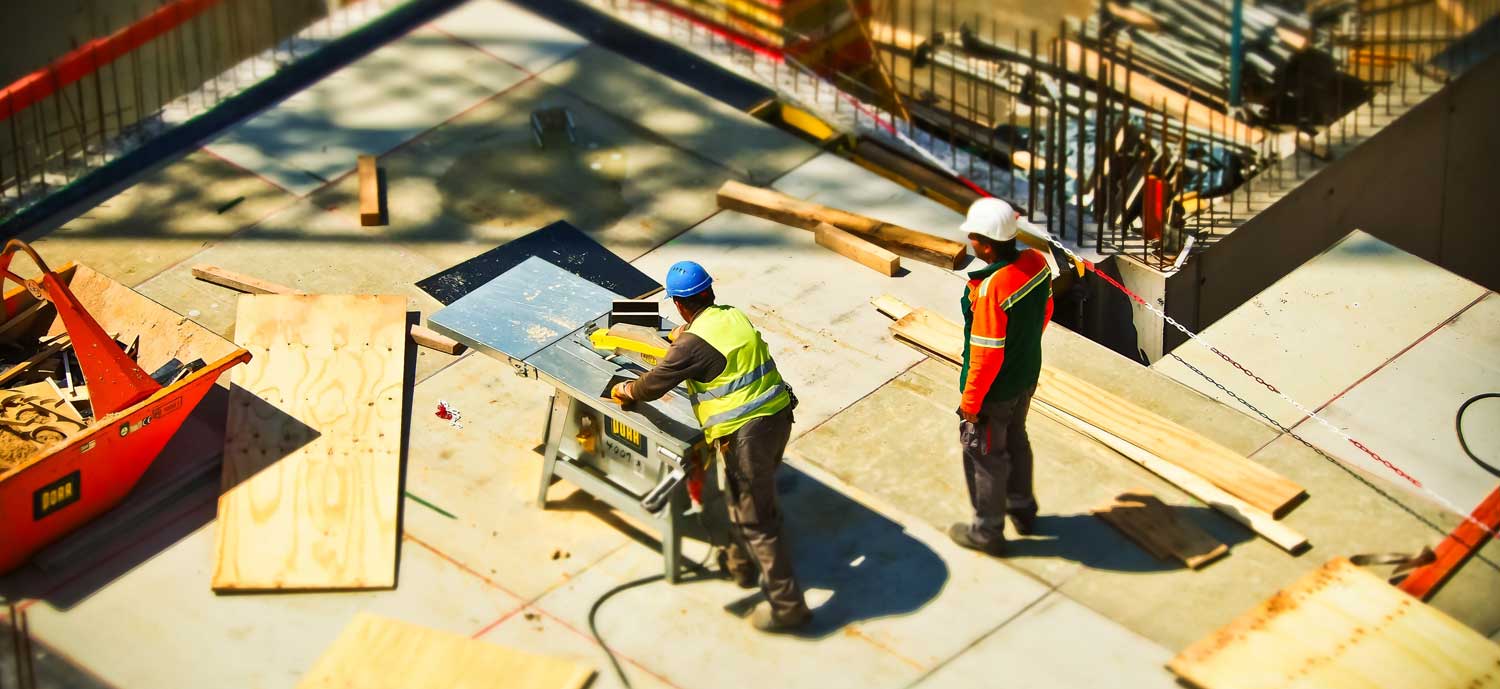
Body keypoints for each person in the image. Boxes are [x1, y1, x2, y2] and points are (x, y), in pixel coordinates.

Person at [611, 261, 811, 633]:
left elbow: (653, 386)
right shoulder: (730, 316)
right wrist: (686, 336)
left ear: (679, 304)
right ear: (709, 291)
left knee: (756, 520)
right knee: (743, 497)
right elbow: (713, 344)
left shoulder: (690, 345)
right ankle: (741, 565)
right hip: (778, 418)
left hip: (746, 435)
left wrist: (626, 389)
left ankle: (789, 607)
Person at [950, 198, 1056, 556]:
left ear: (986, 243)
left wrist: (971, 402)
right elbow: (1046, 310)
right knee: (1017, 440)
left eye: (974, 238)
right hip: (1026, 376)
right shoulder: (1037, 264)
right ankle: (1023, 509)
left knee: (984, 455)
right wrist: (1023, 354)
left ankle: (987, 533)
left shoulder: (992, 287)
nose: (971, 244)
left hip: (994, 391)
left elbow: (986, 353)